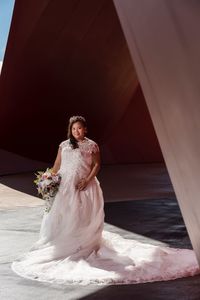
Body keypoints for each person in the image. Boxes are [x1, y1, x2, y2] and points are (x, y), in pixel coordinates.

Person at [12, 116, 199, 285]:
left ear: (85, 129)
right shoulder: (64, 145)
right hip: (65, 187)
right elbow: (57, 165)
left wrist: (87, 180)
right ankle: (63, 241)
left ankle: (82, 243)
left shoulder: (91, 145)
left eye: (80, 128)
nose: (77, 132)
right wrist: (48, 179)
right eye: (74, 129)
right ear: (70, 130)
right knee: (63, 215)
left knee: (82, 215)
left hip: (84, 185)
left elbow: (96, 165)